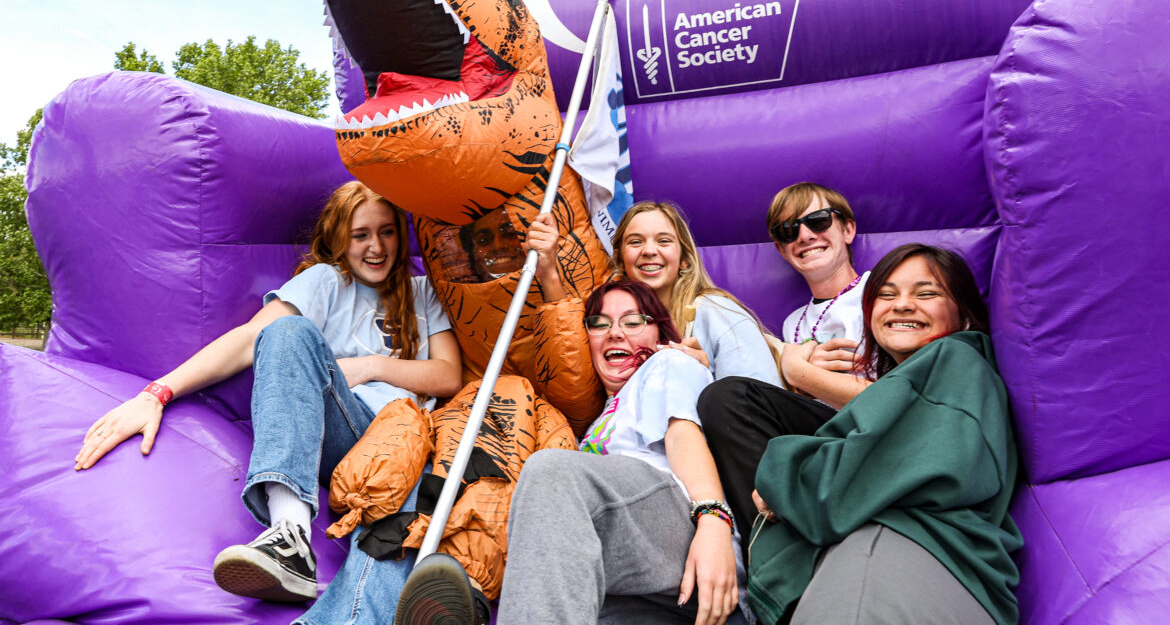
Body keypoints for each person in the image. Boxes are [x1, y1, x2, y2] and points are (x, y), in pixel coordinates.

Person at [74, 180, 462, 623]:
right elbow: (248, 340)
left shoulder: (421, 292)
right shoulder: (326, 282)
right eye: (361, 235)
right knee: (285, 332)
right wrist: (156, 393)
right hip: (341, 433)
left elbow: (448, 375)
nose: (376, 246)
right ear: (340, 240)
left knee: (398, 528)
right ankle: (290, 534)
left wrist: (372, 366)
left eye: (387, 231)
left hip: (403, 444)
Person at [748, 244, 1022, 625]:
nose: (902, 305)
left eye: (926, 293)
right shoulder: (926, 378)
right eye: (886, 295)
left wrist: (782, 480)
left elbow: (845, 487)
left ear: (963, 315)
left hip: (898, 562)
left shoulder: (954, 360)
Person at [495, 278, 744, 625]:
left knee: (551, 474)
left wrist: (713, 519)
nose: (614, 332)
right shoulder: (601, 417)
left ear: (659, 335)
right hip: (645, 595)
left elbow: (681, 433)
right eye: (599, 323)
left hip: (685, 529)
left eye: (632, 321)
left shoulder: (668, 363)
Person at [699, 183, 870, 543]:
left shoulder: (877, 294)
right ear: (781, 248)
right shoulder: (794, 323)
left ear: (848, 229)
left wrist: (800, 372)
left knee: (728, 396)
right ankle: (769, 542)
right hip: (815, 442)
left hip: (867, 435)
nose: (805, 235)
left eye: (819, 221)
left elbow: (895, 400)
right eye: (788, 230)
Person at [533, 200, 780, 385]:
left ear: (684, 259)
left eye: (663, 241)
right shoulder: (613, 323)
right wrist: (548, 271)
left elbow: (758, 398)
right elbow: (570, 355)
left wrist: (700, 376)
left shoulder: (714, 311)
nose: (649, 251)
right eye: (636, 242)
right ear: (620, 259)